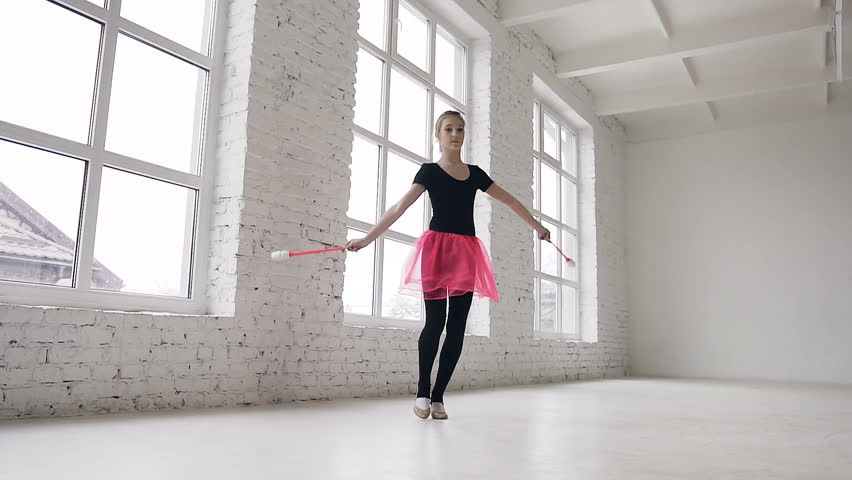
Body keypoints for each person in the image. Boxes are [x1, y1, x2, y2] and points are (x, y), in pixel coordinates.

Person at [345, 111, 550, 420]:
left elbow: (510, 200)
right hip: (437, 251)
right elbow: (399, 207)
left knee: (456, 328)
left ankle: (439, 395)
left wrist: (537, 226)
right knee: (434, 322)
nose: (455, 134)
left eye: (460, 129)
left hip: (466, 253)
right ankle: (423, 392)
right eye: (448, 129)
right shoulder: (429, 171)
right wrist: (367, 239)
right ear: (438, 135)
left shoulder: (476, 173)